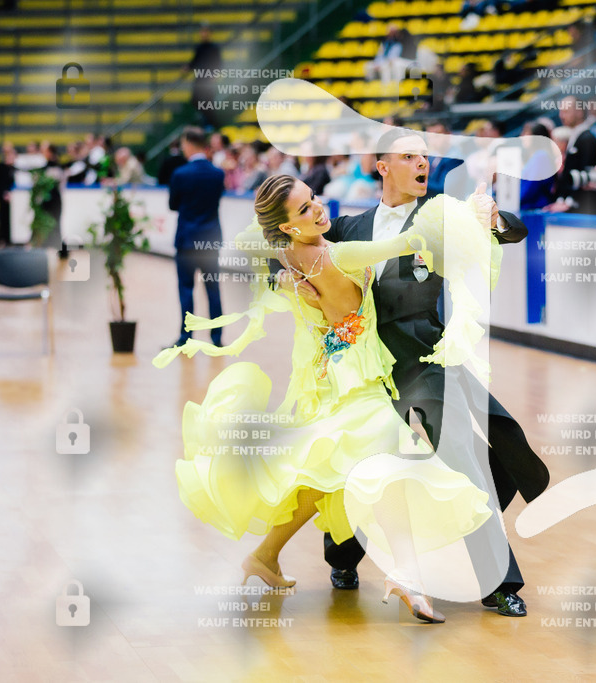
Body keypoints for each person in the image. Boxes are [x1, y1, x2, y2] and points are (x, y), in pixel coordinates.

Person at [154, 173, 497, 623]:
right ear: (290, 227)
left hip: (330, 373)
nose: (318, 208)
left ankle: (266, 554)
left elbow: (270, 260)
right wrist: (471, 213)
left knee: (320, 475)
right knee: (389, 464)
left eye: (313, 197)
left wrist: (284, 283)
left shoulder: (287, 255)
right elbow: (413, 239)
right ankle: (406, 576)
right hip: (355, 381)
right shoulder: (338, 254)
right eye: (304, 209)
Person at [309, 129, 550, 617]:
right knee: (360, 460)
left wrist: (493, 216)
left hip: (425, 355)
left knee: (465, 455)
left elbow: (513, 229)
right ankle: (343, 556)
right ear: (382, 166)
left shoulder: (443, 214)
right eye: (408, 156)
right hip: (367, 362)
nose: (422, 163)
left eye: (424, 156)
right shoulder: (351, 227)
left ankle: (498, 582)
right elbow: (302, 249)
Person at [168, 127, 224, 347]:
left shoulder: (180, 174)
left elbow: (173, 204)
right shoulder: (218, 174)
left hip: (187, 240)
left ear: (189, 144)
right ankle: (217, 338)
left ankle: (186, 337)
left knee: (186, 289)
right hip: (210, 240)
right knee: (213, 289)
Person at [183, 25, 222, 128]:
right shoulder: (199, 47)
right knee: (195, 100)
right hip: (199, 78)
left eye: (206, 32)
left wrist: (214, 75)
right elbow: (195, 62)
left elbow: (218, 63)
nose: (204, 34)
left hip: (209, 79)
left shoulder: (214, 48)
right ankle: (207, 123)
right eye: (202, 32)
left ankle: (212, 124)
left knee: (208, 101)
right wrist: (188, 67)